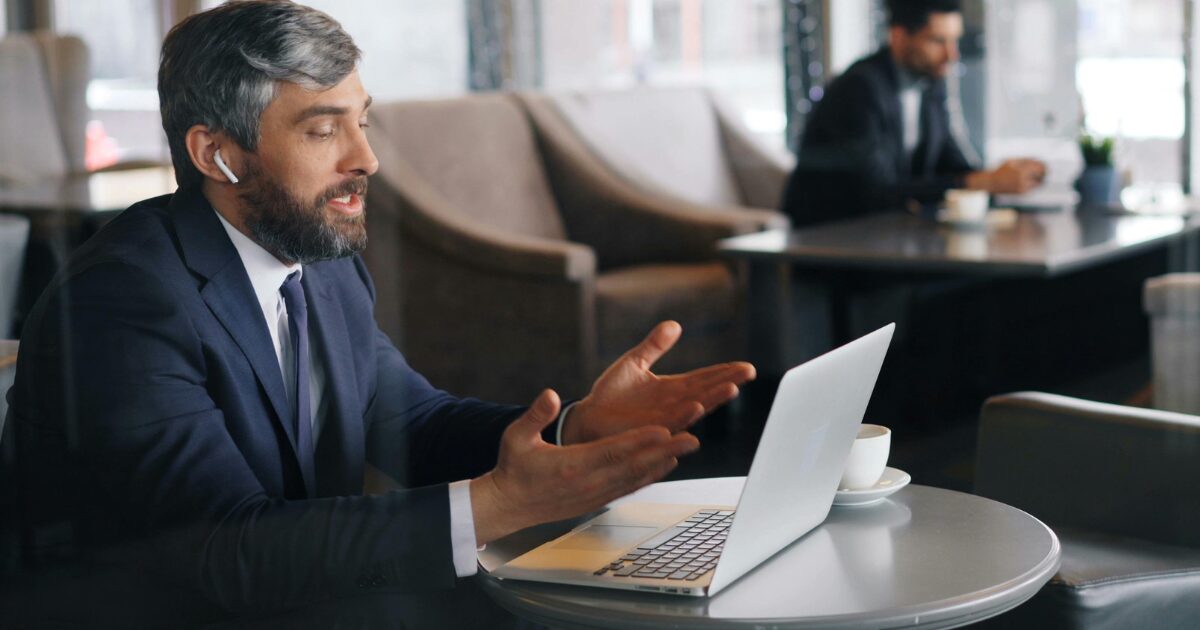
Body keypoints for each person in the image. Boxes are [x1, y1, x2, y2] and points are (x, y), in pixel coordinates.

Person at [1, 2, 754, 626]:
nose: (366, 158)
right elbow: (221, 550)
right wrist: (499, 503)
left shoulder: (321, 266)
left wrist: (572, 431)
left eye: (362, 121)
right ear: (216, 154)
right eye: (324, 129)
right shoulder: (122, 302)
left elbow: (411, 423)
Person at [781, 0, 1046, 227]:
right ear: (898, 36)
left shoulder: (929, 84)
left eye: (955, 40)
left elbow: (948, 160)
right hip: (832, 239)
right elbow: (876, 193)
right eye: (937, 41)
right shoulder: (860, 88)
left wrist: (998, 179)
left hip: (886, 234)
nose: (951, 55)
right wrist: (982, 182)